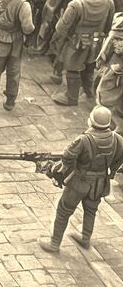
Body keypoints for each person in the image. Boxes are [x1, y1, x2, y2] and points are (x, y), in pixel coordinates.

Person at [44, 105, 123, 251]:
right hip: (100, 183)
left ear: (91, 121)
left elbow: (68, 156)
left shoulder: (83, 139)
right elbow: (120, 157)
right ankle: (85, 238)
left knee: (64, 211)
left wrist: (68, 170)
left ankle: (54, 243)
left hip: (79, 182)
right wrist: (110, 173)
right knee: (91, 210)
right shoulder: (117, 139)